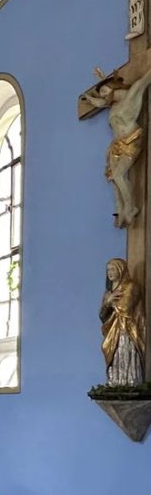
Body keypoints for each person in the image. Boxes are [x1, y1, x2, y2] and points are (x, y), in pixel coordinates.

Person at [81, 67, 151, 227]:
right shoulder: (112, 105)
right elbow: (100, 102)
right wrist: (89, 96)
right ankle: (120, 210)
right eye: (101, 94)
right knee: (113, 177)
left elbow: (143, 82)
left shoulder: (131, 96)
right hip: (116, 145)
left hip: (132, 140)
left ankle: (130, 208)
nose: (103, 96)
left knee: (118, 175)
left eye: (104, 91)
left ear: (113, 87)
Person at [100, 258, 145, 386]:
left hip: (127, 330)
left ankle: (130, 382)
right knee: (115, 356)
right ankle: (116, 382)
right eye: (108, 270)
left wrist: (110, 303)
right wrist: (107, 303)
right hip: (112, 331)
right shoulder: (108, 292)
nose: (110, 273)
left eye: (113, 269)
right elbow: (102, 316)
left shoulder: (131, 287)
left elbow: (125, 309)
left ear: (121, 270)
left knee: (126, 354)